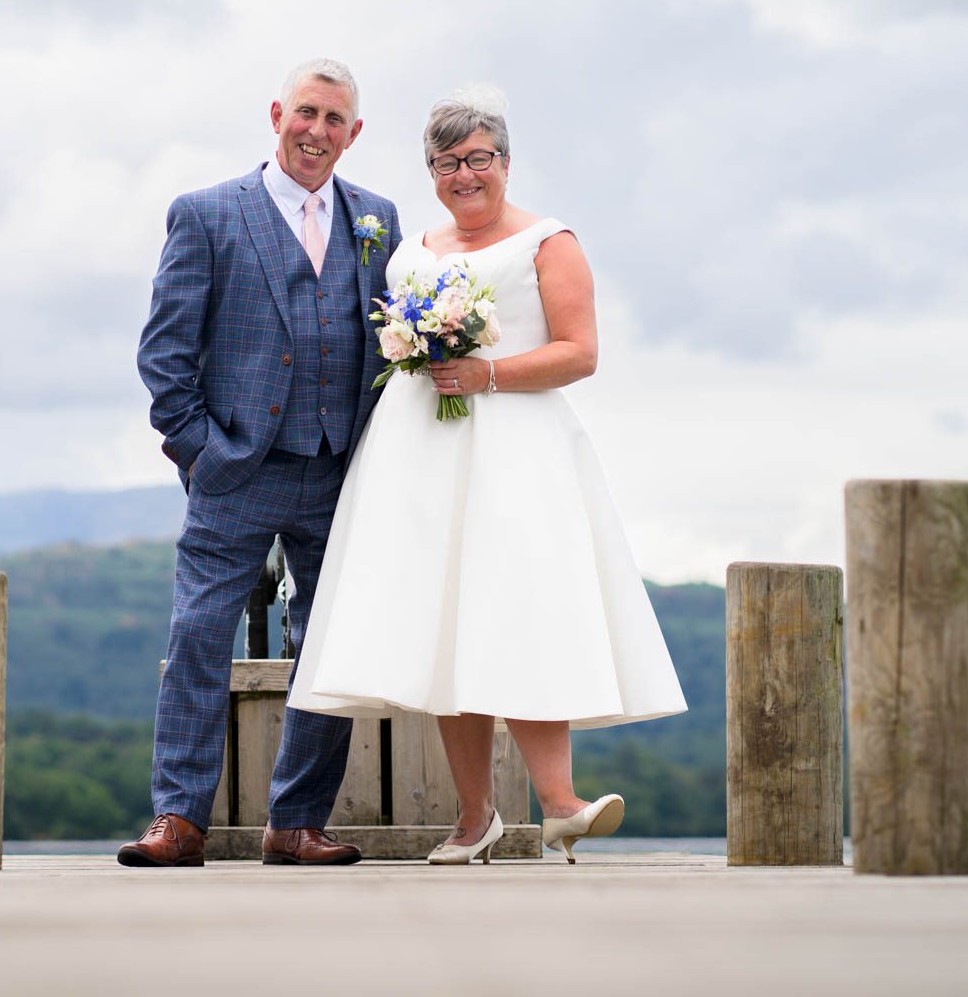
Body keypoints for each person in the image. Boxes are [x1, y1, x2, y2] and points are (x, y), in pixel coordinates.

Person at [288, 87, 686, 865]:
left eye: (478, 159)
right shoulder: (413, 244)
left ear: (504, 162)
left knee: (524, 609)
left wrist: (488, 375)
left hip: (516, 449)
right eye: (446, 163)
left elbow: (581, 352)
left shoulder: (548, 241)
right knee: (445, 622)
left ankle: (562, 803)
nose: (463, 175)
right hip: (418, 454)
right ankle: (476, 818)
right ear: (431, 171)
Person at [125, 58, 402, 868]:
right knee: (200, 633)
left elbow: (387, 344)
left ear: (354, 134)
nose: (317, 131)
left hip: (340, 469)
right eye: (306, 113)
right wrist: (201, 453)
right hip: (235, 470)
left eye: (335, 120)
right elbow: (164, 354)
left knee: (330, 644)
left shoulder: (377, 218)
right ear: (278, 113)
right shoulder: (208, 213)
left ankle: (297, 822)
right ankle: (178, 819)